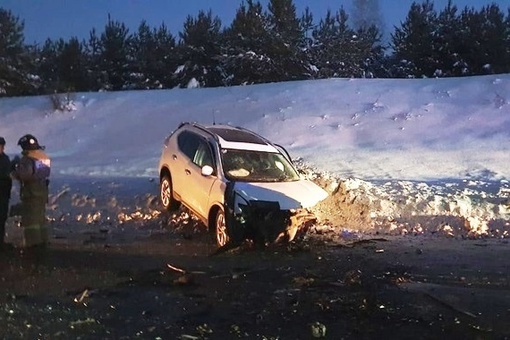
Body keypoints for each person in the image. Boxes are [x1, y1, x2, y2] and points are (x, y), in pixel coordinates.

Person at [10, 134, 51, 248]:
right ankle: (43, 242)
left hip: (31, 193)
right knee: (40, 220)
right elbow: (43, 173)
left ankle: (33, 245)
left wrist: (14, 171)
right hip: (42, 192)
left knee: (31, 221)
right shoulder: (43, 156)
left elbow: (25, 175)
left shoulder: (28, 159)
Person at [0, 136, 13, 249]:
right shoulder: (5, 160)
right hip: (3, 193)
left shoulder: (5, 159)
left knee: (2, 218)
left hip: (3, 194)